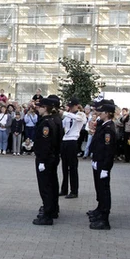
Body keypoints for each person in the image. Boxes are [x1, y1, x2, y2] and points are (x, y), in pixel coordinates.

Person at [87, 102, 117, 229]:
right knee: (99, 188)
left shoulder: (109, 128)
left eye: (102, 111)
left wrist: (105, 168)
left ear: (108, 113)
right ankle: (100, 210)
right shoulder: (103, 125)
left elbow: (109, 150)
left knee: (104, 190)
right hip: (98, 160)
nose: (99, 113)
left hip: (103, 163)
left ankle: (104, 219)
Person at [33, 95, 61, 225]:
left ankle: (47, 215)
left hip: (45, 159)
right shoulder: (51, 120)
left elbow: (45, 144)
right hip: (50, 158)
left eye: (40, 107)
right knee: (50, 185)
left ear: (45, 108)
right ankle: (51, 210)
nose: (37, 109)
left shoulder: (46, 123)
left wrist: (43, 161)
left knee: (46, 187)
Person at [59, 98, 87, 200]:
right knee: (64, 166)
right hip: (65, 140)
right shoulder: (67, 116)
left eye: (72, 106)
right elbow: (63, 125)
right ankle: (64, 188)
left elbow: (79, 119)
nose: (70, 108)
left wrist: (65, 113)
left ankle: (74, 190)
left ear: (76, 106)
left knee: (73, 167)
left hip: (73, 140)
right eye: (69, 106)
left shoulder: (80, 114)